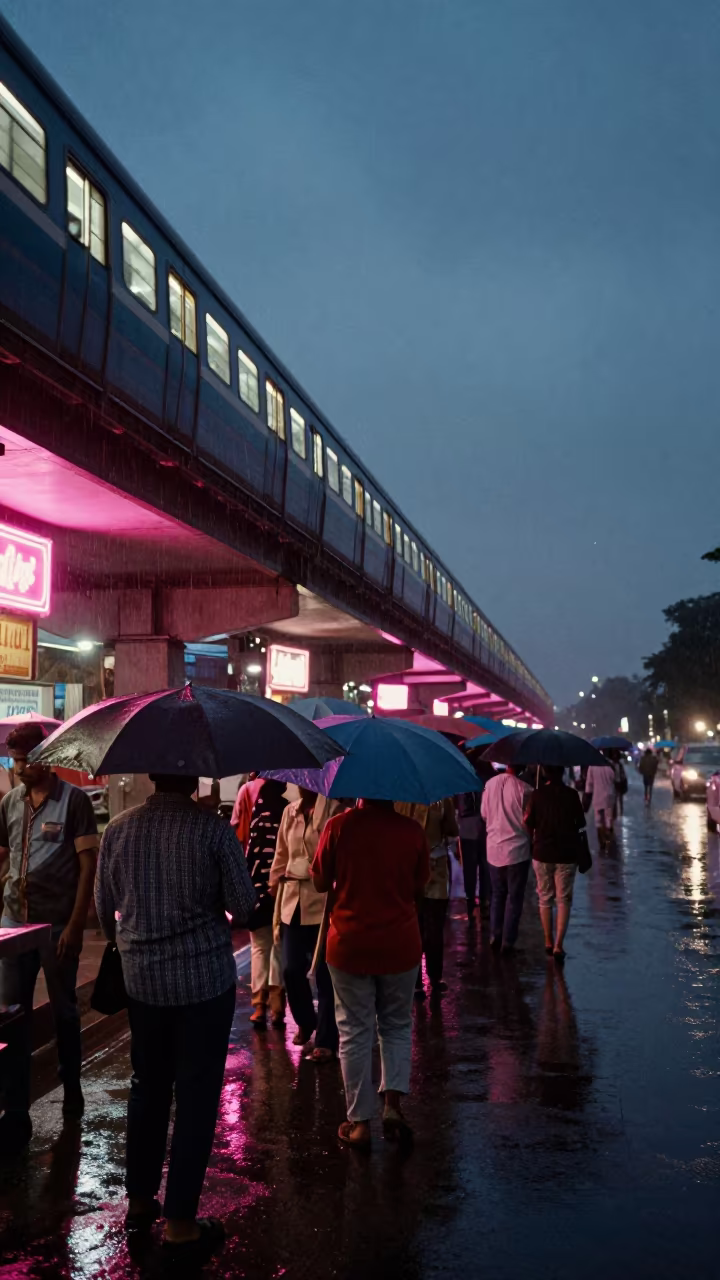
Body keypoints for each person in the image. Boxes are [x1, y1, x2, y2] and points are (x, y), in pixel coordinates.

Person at [95, 773, 256, 1264]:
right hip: (204, 984)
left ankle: (141, 1200)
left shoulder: (118, 829)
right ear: (192, 778)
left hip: (142, 983)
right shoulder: (212, 831)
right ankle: (182, 1223)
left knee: (147, 1087)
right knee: (197, 1097)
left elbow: (105, 914)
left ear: (152, 775)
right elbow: (245, 907)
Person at [0, 723, 99, 1155]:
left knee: (64, 1011)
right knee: (12, 1017)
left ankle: (71, 1083)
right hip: (15, 923)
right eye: (16, 760)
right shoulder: (9, 803)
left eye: (26, 760)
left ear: (46, 757)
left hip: (58, 926)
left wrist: (77, 925)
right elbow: (2, 858)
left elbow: (87, 865)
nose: (20, 768)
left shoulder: (73, 801)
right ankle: (15, 1109)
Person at [311, 799, 430, 1149]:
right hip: (400, 944)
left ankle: (359, 1123)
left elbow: (319, 882)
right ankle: (392, 1106)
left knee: (354, 1031)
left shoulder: (338, 827)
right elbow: (418, 889)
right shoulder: (412, 831)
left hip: (349, 944)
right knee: (395, 1026)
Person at [269, 787, 338, 1061]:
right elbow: (281, 853)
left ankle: (325, 1039)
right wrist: (273, 886)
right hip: (291, 903)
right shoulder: (290, 811)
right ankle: (306, 1020)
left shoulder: (333, 811)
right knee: (291, 969)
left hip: (322, 904)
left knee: (324, 974)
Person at [524, 765, 587, 961]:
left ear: (545, 773)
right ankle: (559, 944)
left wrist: (533, 839)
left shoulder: (537, 794)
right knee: (564, 899)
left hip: (542, 852)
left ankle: (548, 941)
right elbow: (581, 823)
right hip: (567, 854)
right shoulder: (572, 795)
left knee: (544, 898)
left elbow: (528, 822)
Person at [397, 797, 457, 997]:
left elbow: (451, 829)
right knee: (426, 927)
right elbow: (451, 829)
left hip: (426, 870)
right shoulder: (440, 798)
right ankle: (428, 978)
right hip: (421, 870)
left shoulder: (401, 796)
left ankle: (424, 979)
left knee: (425, 926)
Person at [244, 780, 288, 1029]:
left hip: (257, 891)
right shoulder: (288, 811)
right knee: (277, 946)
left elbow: (250, 856)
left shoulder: (257, 818)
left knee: (259, 948)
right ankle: (276, 1005)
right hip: (280, 891)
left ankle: (259, 1005)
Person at [480, 764, 532, 953]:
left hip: (494, 849)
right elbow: (528, 822)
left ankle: (495, 934)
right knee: (514, 898)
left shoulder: (489, 784)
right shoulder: (526, 789)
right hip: (517, 851)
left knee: (498, 895)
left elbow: (484, 815)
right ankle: (508, 941)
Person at [456, 754, 494, 922]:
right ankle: (485, 903)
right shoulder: (490, 779)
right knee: (485, 867)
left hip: (467, 830)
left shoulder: (462, 780)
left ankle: (471, 903)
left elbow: (460, 806)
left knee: (469, 870)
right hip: (486, 828)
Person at [584, 752, 618, 846]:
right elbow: (615, 779)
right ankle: (608, 839)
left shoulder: (592, 766)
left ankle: (601, 841)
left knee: (598, 819)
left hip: (597, 797)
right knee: (608, 818)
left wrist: (587, 795)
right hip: (610, 796)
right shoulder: (610, 765)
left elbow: (589, 784)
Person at [611, 750, 628, 816]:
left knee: (620, 798)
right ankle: (616, 812)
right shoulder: (611, 765)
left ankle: (621, 811)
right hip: (614, 783)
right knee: (615, 798)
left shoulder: (620, 765)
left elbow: (623, 774)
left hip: (619, 782)